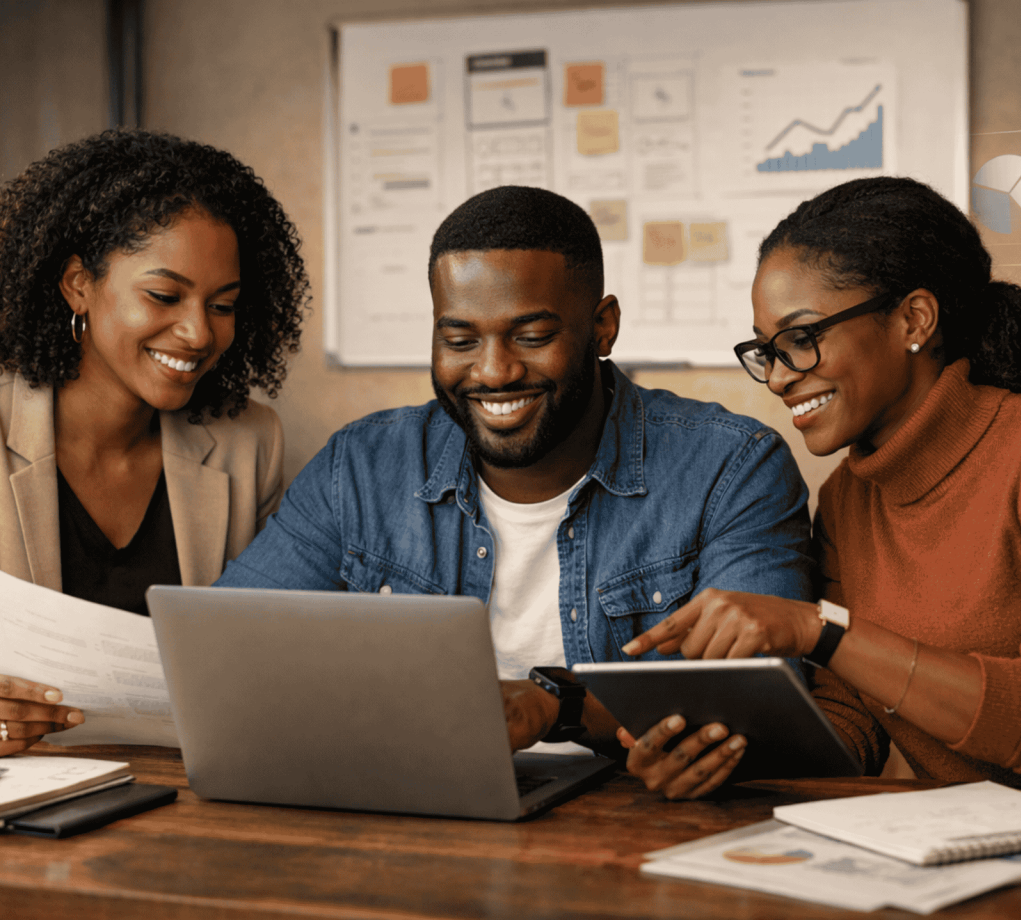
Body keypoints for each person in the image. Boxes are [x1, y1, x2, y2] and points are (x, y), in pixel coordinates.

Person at [216, 184, 814, 797]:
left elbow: (760, 709)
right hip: (407, 806)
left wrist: (558, 707)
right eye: (460, 341)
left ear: (603, 327)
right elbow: (226, 655)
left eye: (530, 336)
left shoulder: (730, 468)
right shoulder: (361, 469)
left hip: (632, 821)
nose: (494, 371)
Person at [625, 176, 1021, 791]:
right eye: (766, 351)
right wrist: (714, 759)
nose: (780, 378)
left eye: (801, 339)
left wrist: (820, 629)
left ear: (914, 319)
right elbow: (849, 727)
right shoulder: (847, 499)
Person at [0, 128, 310, 754]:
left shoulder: (249, 442)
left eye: (223, 305)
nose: (198, 334)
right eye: (164, 296)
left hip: (189, 795)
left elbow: (271, 661)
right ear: (77, 284)